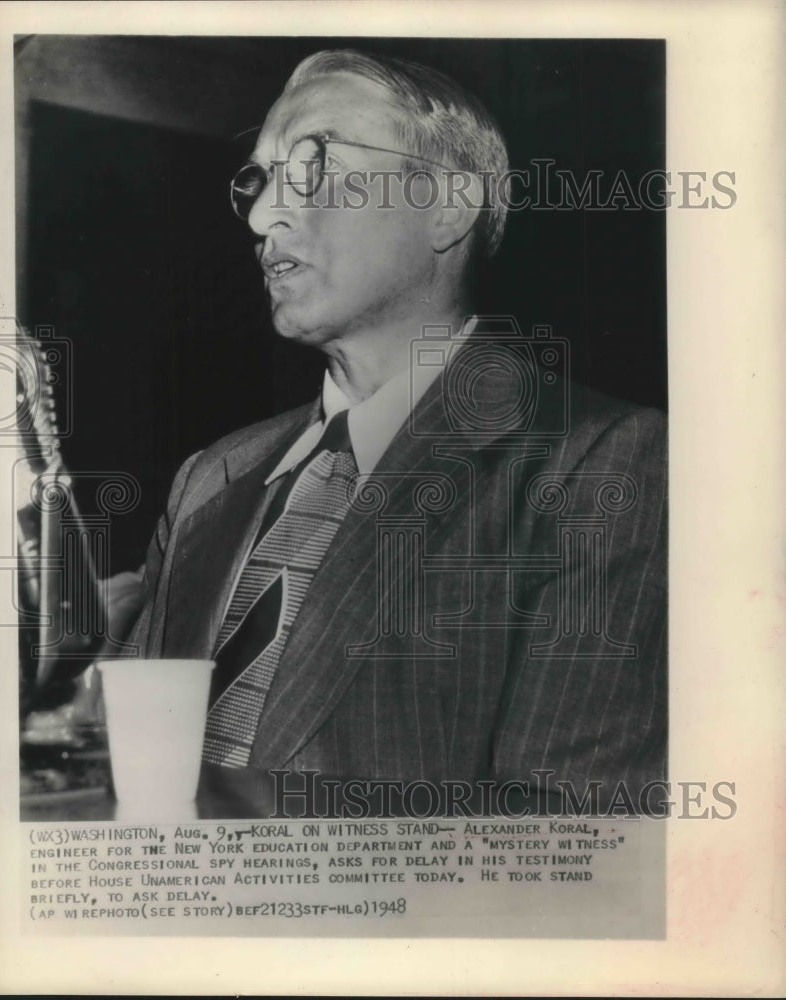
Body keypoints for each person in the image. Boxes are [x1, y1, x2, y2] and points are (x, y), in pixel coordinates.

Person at [127, 49, 667, 818]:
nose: (261, 216)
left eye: (313, 164)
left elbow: (570, 842)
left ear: (447, 205)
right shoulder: (211, 477)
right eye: (258, 179)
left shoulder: (599, 464)